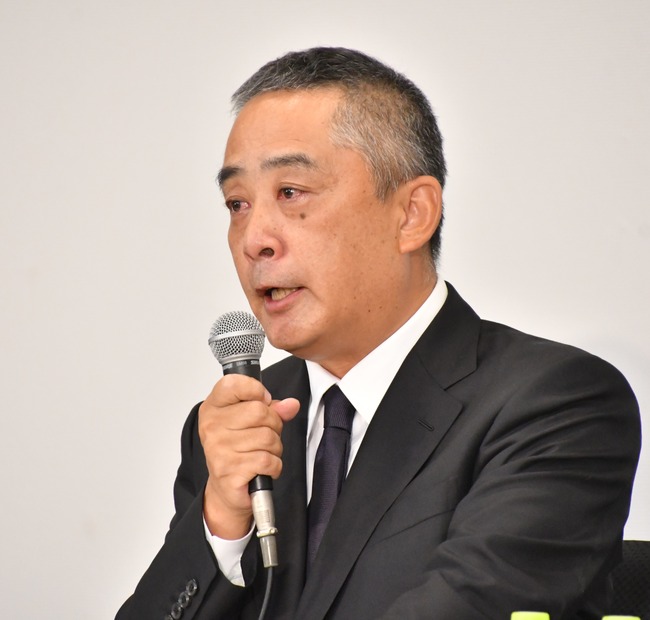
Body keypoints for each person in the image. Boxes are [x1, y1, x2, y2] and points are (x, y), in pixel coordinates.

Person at [116, 47, 641, 620]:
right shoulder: (234, 429)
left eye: (291, 193)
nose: (253, 239)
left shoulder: (555, 404)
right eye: (237, 203)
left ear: (412, 214)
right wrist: (220, 519)